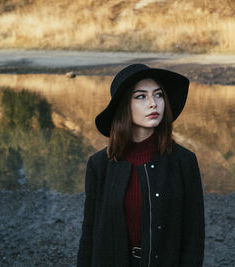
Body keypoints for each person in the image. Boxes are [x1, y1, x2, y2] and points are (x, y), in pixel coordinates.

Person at [77, 64, 205, 267]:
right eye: (141, 96)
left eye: (159, 95)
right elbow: (89, 234)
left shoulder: (183, 162)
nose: (153, 104)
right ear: (124, 106)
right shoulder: (99, 165)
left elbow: (193, 237)